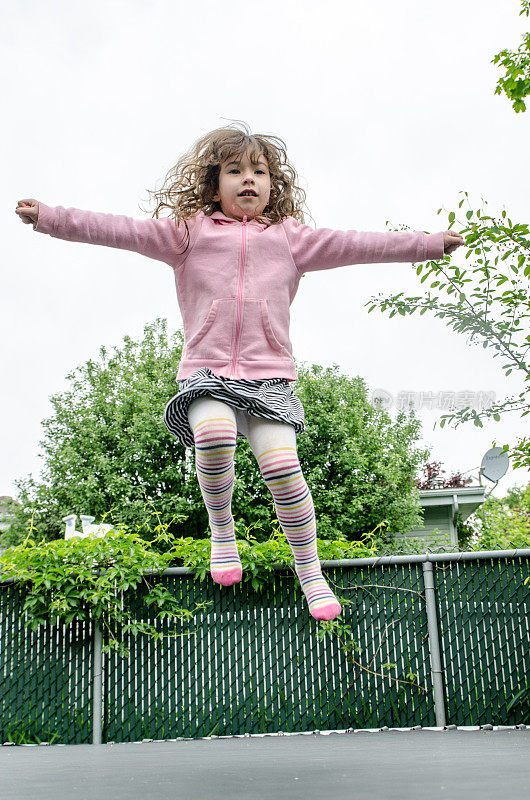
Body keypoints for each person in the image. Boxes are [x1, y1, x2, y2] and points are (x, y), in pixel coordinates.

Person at [15, 122, 464, 622]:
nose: (248, 179)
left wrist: (426, 244)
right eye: (235, 171)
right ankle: (222, 531)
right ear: (215, 184)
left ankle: (310, 571)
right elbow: (120, 230)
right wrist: (50, 217)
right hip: (208, 372)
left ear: (274, 185)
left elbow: (360, 243)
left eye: (259, 171)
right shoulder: (187, 234)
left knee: (283, 471)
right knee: (213, 434)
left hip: (270, 378)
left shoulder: (292, 240)